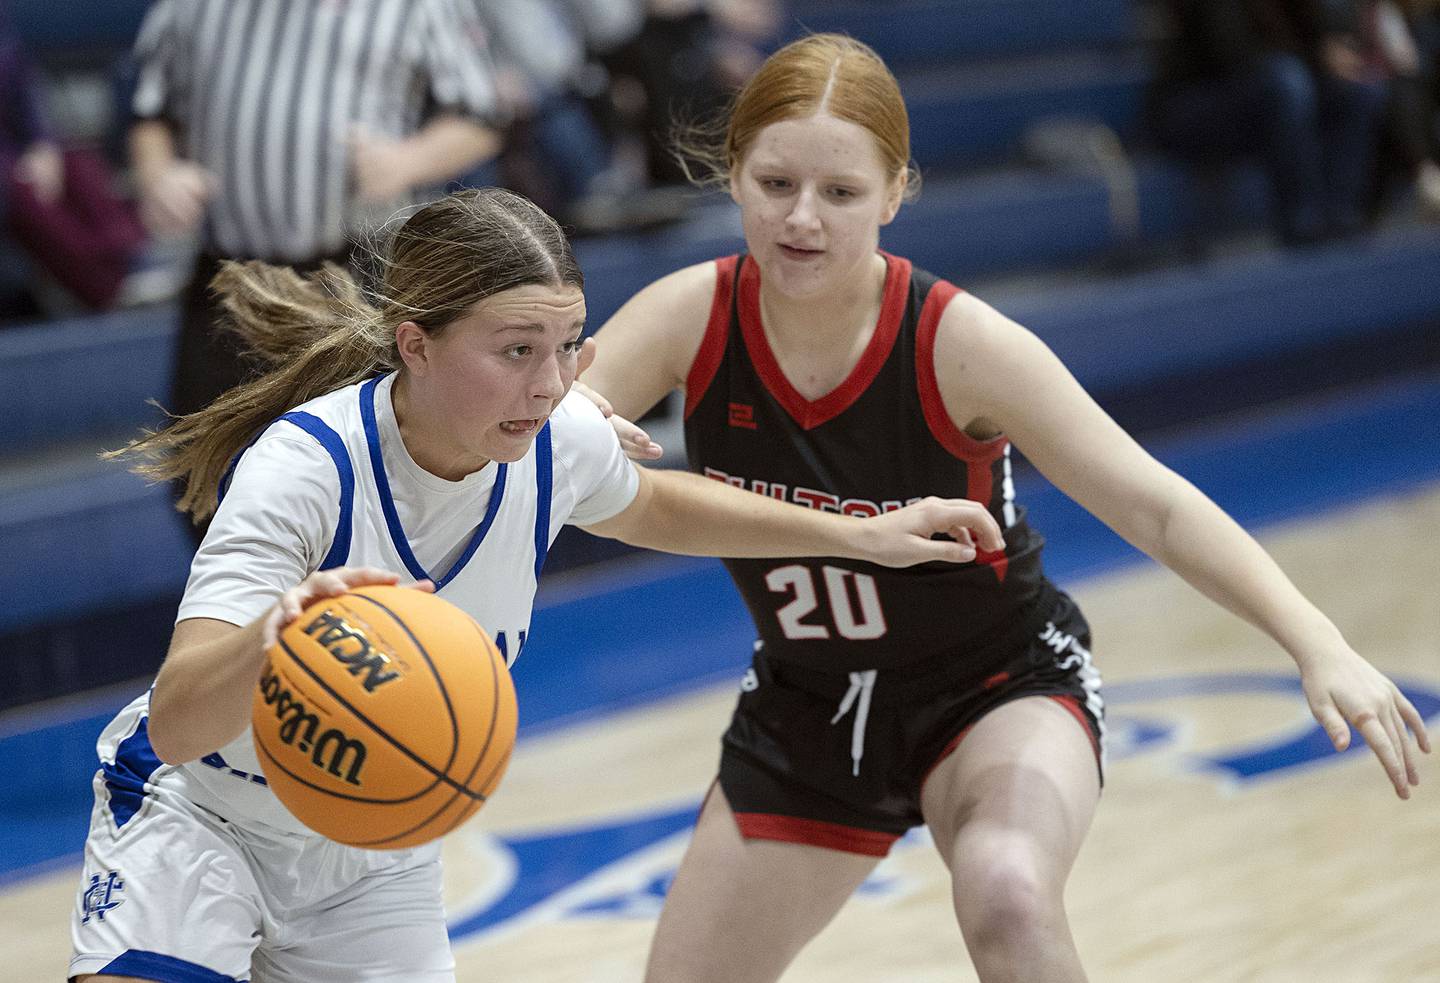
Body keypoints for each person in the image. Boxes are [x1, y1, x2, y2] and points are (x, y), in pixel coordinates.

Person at [577, 33, 1431, 983]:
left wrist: (1319, 641)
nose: (803, 219)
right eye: (775, 184)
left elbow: (1153, 505)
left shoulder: (960, 341)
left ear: (896, 193)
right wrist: (564, 432)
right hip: (809, 701)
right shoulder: (686, 314)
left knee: (1008, 892)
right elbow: (549, 447)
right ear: (733, 176)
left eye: (842, 192)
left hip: (995, 686)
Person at [66, 187, 1005, 983]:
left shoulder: (554, 441)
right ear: (415, 345)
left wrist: (861, 536)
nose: (553, 384)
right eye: (517, 350)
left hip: (372, 852)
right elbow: (180, 722)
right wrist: (279, 632)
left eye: (568, 348)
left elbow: (657, 506)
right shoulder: (307, 469)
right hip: (204, 817)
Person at [128, 0, 504, 540]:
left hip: (354, 274)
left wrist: (408, 160)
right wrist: (157, 173)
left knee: (367, 464)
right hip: (229, 276)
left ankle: (369, 607)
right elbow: (151, 109)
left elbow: (481, 116)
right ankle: (247, 610)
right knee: (201, 465)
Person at [1147, 0, 1389, 245]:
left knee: (1361, 93)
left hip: (1274, 91)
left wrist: (1331, 50)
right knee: (1287, 81)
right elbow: (1234, 52)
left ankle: (1339, 214)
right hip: (1196, 103)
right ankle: (1301, 218)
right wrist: (1318, 58)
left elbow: (1320, 30)